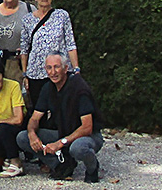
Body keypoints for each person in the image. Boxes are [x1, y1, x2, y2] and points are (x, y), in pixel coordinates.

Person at [16, 53, 104, 182]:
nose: (53, 72)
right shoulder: (48, 88)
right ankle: (61, 165)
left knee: (78, 148)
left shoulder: (79, 88)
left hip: (88, 135)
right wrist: (32, 134)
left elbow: (87, 127)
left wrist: (60, 143)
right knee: (22, 138)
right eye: (49, 68)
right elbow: (35, 118)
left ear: (66, 68)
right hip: (63, 132)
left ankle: (92, 168)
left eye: (57, 67)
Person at [19, 0, 80, 109]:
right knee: (39, 108)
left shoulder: (62, 16)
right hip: (36, 72)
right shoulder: (27, 20)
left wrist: (76, 69)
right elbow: (24, 49)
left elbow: (70, 44)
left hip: (60, 71)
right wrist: (25, 74)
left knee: (63, 108)